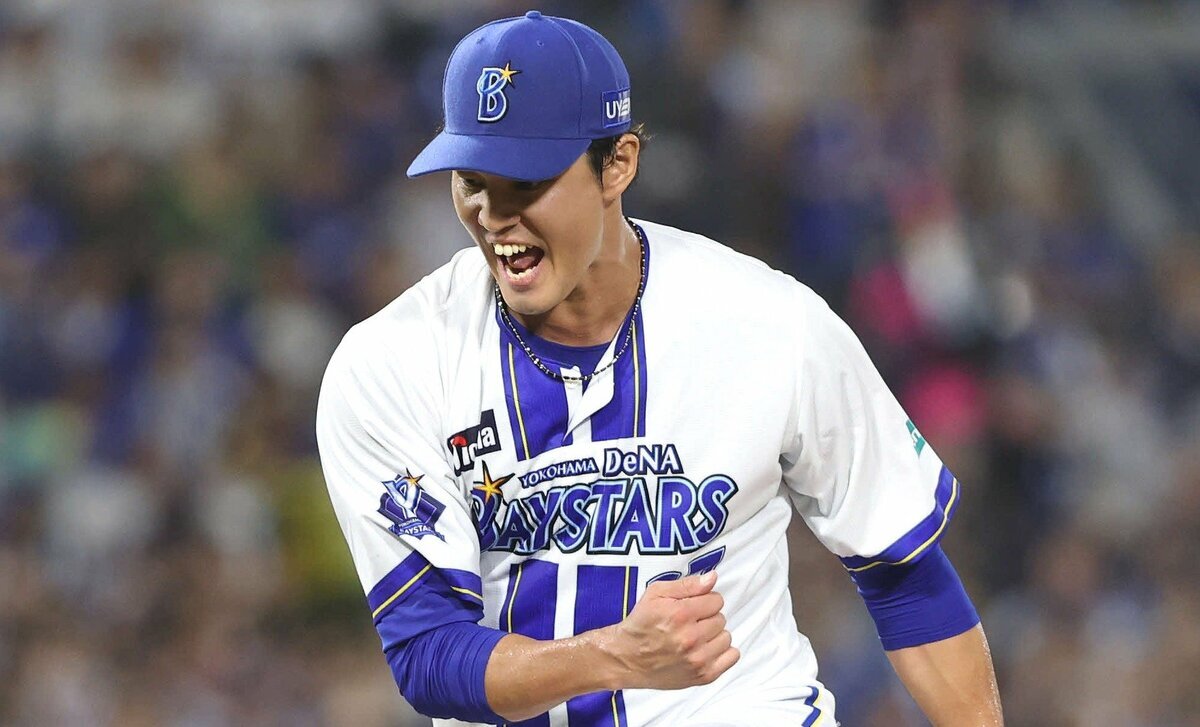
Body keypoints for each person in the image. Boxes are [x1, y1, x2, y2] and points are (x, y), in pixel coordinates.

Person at [316, 10, 1003, 726]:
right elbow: (427, 655)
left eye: (525, 182)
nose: (493, 215)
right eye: (472, 182)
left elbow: (904, 572)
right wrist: (614, 656)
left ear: (618, 164)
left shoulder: (771, 322)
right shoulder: (392, 363)